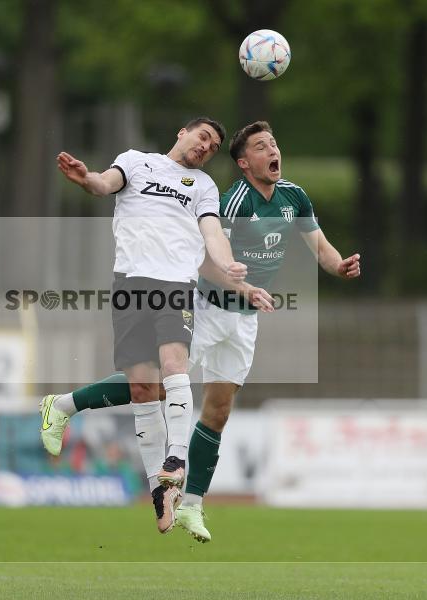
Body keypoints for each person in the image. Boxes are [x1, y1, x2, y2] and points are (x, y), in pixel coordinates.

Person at [41, 121, 361, 542]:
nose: (272, 150)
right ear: (245, 162)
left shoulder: (293, 197)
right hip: (207, 307)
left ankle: (191, 504)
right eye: (262, 146)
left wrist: (337, 266)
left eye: (274, 143)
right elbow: (207, 256)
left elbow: (319, 246)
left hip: (245, 319)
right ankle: (67, 405)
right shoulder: (231, 199)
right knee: (154, 386)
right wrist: (239, 281)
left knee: (218, 412)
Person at [51, 117, 249, 534]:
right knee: (142, 389)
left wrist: (228, 263)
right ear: (182, 132)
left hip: (176, 285)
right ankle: (158, 490)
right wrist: (85, 177)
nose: (205, 147)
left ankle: (175, 460)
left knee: (175, 366)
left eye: (213, 146)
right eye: (202, 138)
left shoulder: (203, 187)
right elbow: (105, 184)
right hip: (129, 282)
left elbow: (212, 232)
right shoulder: (136, 162)